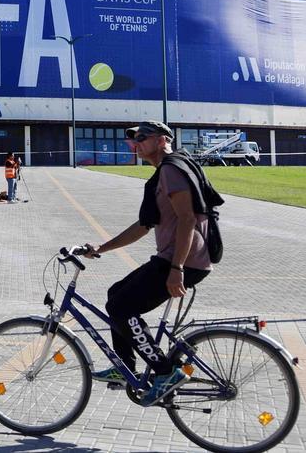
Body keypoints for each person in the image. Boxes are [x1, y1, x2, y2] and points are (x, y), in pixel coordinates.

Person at [82, 120, 222, 406]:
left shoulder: (171, 170)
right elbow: (144, 226)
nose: (137, 145)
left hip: (182, 261)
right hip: (175, 258)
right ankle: (125, 369)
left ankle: (165, 372)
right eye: (135, 140)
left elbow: (187, 219)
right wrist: (101, 248)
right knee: (115, 294)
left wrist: (177, 270)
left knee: (120, 307)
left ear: (162, 140)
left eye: (143, 138)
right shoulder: (167, 172)